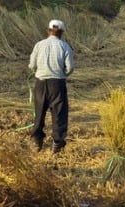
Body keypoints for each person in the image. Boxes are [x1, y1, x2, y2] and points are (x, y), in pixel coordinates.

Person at [28, 19, 74, 153]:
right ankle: (57, 144)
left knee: (39, 113)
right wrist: (63, 74)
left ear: (48, 31)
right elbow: (70, 67)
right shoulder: (65, 46)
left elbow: (32, 65)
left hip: (40, 83)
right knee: (59, 114)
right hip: (57, 84)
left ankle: (37, 142)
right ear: (61, 33)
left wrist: (37, 71)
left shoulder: (39, 45)